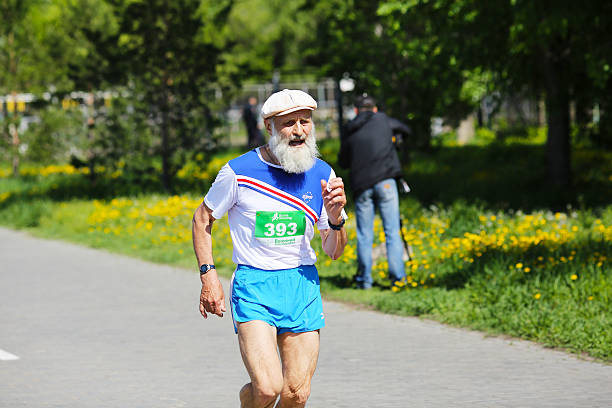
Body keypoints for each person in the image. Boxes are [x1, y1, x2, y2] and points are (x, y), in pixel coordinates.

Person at [193, 89, 348, 408]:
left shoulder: (322, 174)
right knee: (266, 388)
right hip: (255, 285)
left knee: (296, 393)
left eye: (305, 121)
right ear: (269, 126)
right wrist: (209, 277)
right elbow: (202, 218)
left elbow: (334, 250)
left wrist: (335, 221)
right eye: (289, 123)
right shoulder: (239, 171)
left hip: (301, 285)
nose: (299, 130)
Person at [338, 94, 411, 289]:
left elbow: (343, 161)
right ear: (375, 109)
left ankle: (365, 280)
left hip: (362, 184)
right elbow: (406, 129)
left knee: (364, 233)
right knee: (392, 231)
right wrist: (395, 140)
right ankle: (398, 278)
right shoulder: (384, 120)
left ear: (356, 110)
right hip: (386, 180)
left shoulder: (350, 128)